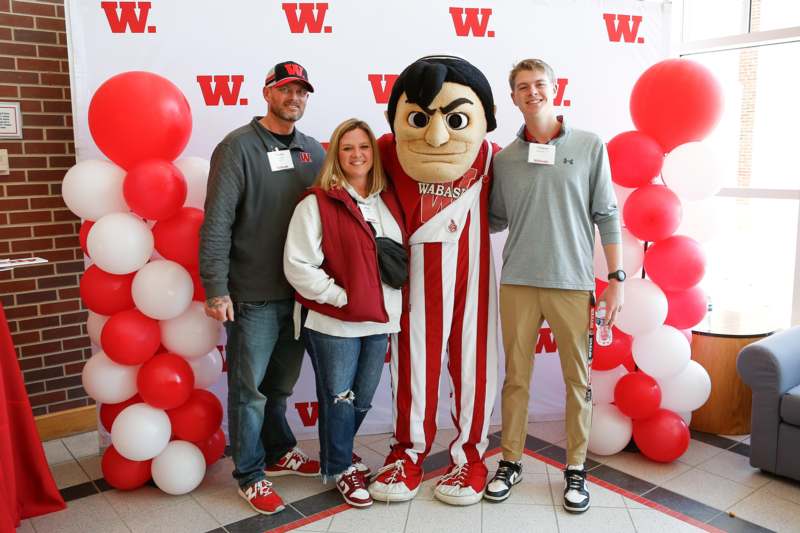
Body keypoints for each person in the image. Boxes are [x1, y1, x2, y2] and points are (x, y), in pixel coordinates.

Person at [486, 58, 624, 513]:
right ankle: (510, 461)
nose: (532, 92)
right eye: (522, 87)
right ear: (513, 97)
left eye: (539, 84)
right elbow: (493, 218)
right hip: (519, 282)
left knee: (577, 381)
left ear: (555, 87)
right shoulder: (503, 160)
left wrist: (616, 279)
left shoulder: (588, 146)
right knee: (516, 379)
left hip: (571, 283)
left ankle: (577, 469)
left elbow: (607, 214)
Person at [367, 56, 501, 507]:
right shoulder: (385, 152)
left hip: (474, 278)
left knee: (475, 365)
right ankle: (409, 451)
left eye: (455, 118)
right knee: (412, 366)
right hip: (413, 282)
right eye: (422, 118)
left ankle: (471, 455)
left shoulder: (489, 156)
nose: (438, 134)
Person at [199, 61, 325, 515]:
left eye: (302, 92)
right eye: (286, 89)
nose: (295, 98)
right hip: (251, 294)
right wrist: (216, 287)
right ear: (267, 92)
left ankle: (278, 451)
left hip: (300, 295)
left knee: (279, 386)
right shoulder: (237, 147)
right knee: (249, 391)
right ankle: (250, 473)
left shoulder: (314, 151)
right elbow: (217, 222)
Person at [284, 119, 407, 508]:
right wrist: (341, 297)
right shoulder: (316, 202)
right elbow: (298, 265)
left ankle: (338, 452)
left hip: (379, 319)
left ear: (374, 153)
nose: (357, 155)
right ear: (336, 154)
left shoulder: (388, 202)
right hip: (334, 323)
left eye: (364, 147)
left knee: (363, 398)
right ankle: (340, 467)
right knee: (338, 397)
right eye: (348, 148)